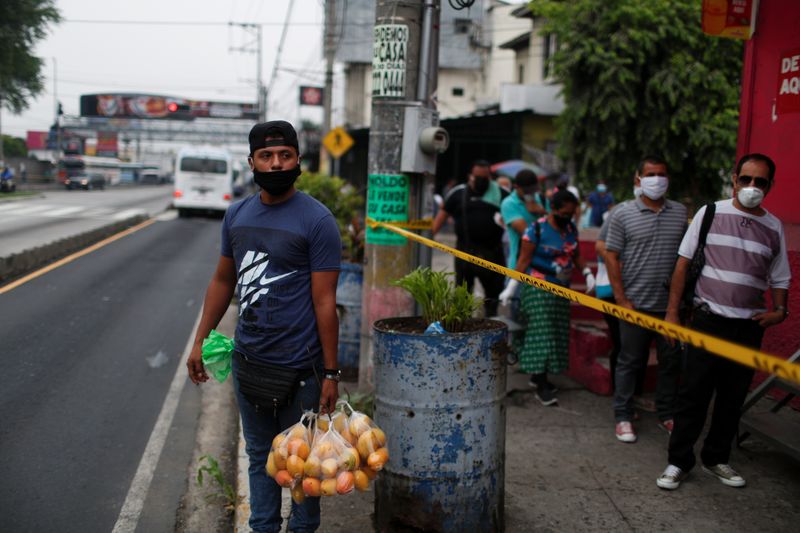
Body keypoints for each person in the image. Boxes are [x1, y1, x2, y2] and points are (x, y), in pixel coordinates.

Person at [186, 120, 341, 533]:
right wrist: (200, 341)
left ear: (298, 161)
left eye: (285, 155)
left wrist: (330, 372)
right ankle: (263, 528)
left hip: (302, 369)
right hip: (249, 362)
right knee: (259, 457)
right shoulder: (237, 215)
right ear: (251, 161)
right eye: (267, 157)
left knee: (304, 464)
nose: (276, 164)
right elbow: (223, 281)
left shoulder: (318, 221)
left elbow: (326, 301)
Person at [656, 153, 790, 490]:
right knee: (693, 395)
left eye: (760, 182)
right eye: (746, 179)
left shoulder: (774, 227)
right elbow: (682, 265)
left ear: (770, 186)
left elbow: (780, 276)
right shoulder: (711, 212)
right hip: (707, 321)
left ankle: (716, 458)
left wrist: (780, 311)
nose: (752, 187)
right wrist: (672, 315)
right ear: (734, 180)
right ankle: (678, 461)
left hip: (747, 328)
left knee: (732, 398)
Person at [605, 155, 687, 443]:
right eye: (650, 174)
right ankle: (623, 416)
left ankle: (666, 413)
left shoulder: (679, 213)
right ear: (639, 179)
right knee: (630, 361)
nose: (656, 179)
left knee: (671, 362)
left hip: (671, 309)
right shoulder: (622, 213)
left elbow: (684, 259)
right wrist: (621, 299)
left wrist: (677, 307)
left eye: (661, 174)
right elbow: (611, 256)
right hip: (634, 305)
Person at [502, 190, 595, 405]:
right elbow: (523, 261)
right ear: (553, 209)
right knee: (541, 331)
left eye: (572, 214)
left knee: (555, 331)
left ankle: (538, 377)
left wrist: (588, 273)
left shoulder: (570, 228)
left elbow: (576, 254)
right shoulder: (535, 229)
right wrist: (511, 286)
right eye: (565, 213)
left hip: (562, 288)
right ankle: (542, 384)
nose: (569, 217)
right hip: (538, 287)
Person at [432, 160, 509, 317]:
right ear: (470, 176)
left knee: (492, 300)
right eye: (477, 177)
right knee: (462, 299)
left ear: (490, 177)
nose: (481, 181)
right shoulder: (458, 193)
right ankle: (463, 332)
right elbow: (438, 221)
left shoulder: (501, 195)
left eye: (485, 177)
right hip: (464, 253)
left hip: (492, 253)